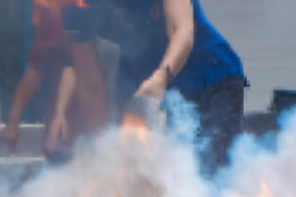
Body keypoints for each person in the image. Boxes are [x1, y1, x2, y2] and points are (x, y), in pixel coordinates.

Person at [62, 0, 246, 174]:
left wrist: (160, 77)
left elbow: (182, 31)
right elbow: (89, 84)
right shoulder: (77, 6)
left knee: (211, 172)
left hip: (210, 79)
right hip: (142, 86)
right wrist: (103, 146)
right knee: (157, 173)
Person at [0, 0, 85, 159]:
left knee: (40, 65)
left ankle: (14, 127)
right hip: (71, 11)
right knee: (69, 63)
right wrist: (59, 115)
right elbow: (71, 65)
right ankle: (55, 126)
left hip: (53, 11)